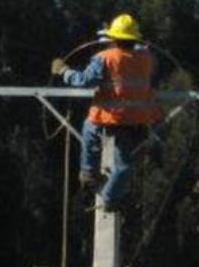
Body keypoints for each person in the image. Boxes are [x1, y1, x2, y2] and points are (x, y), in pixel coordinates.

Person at [51, 13, 161, 211]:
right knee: (124, 165)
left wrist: (64, 71)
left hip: (109, 117)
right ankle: (110, 199)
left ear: (113, 38)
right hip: (135, 120)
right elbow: (141, 59)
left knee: (89, 130)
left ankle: (88, 173)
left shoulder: (106, 58)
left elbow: (84, 81)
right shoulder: (146, 58)